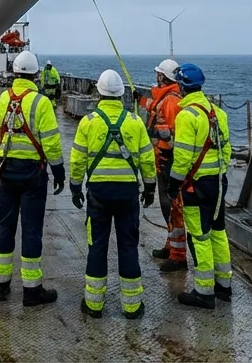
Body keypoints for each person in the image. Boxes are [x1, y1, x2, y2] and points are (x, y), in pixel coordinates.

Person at [69, 70, 156, 319]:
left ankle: (94, 305)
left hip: (98, 193)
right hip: (128, 193)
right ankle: (132, 307)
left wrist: (75, 187)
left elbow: (77, 159)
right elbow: (148, 160)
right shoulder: (135, 122)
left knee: (97, 247)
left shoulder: (88, 123)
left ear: (98, 92)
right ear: (121, 94)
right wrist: (149, 188)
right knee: (128, 246)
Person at [0, 50, 65, 307]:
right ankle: (31, 291)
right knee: (31, 230)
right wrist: (59, 171)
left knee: (4, 227)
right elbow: (51, 142)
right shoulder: (41, 103)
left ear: (14, 73)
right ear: (36, 75)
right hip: (33, 176)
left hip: (5, 173)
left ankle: (0, 286)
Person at [164, 62, 232, 308]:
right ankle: (224, 286)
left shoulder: (186, 116)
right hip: (218, 183)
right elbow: (226, 150)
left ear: (181, 86)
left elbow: (182, 157)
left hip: (196, 186)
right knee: (218, 232)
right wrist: (219, 175)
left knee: (200, 237)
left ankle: (204, 292)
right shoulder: (218, 113)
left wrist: (173, 185)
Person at [142, 58, 187, 272]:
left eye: (159, 74)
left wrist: (163, 156)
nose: (156, 77)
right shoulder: (167, 97)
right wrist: (141, 101)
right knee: (166, 208)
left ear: (165, 77)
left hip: (166, 161)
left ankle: (178, 255)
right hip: (162, 160)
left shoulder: (171, 100)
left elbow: (170, 132)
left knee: (172, 207)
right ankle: (170, 246)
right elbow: (155, 107)